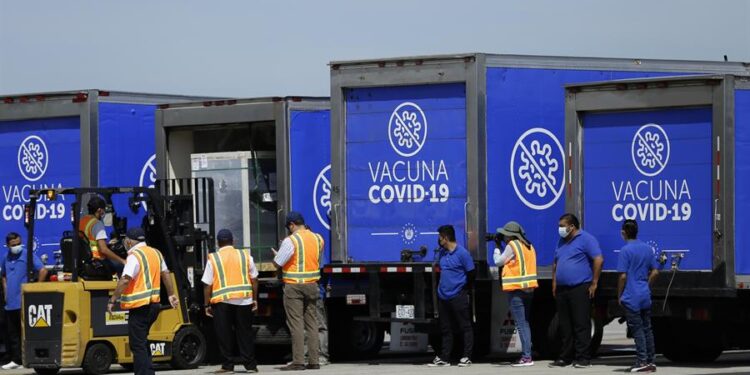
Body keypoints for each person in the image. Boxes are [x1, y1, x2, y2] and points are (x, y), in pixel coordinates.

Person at [108, 228, 178, 375]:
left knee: (137, 345)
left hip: (140, 307)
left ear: (128, 241)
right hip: (154, 306)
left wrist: (113, 299)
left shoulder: (134, 256)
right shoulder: (156, 253)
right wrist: (171, 294)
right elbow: (165, 274)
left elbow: (125, 280)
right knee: (142, 341)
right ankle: (148, 371)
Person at [549, 213, 603, 368]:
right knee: (565, 325)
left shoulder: (586, 239)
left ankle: (583, 358)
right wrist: (554, 282)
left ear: (571, 226)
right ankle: (565, 357)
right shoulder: (561, 241)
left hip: (579, 287)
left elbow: (598, 259)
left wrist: (594, 282)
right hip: (562, 289)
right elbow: (556, 262)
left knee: (581, 323)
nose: (560, 229)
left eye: (562, 226)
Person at [202, 229, 259, 373]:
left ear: (217, 243)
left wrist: (206, 304)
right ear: (233, 241)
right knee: (245, 332)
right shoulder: (245, 255)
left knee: (224, 334)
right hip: (244, 300)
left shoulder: (214, 258)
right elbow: (254, 279)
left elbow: (207, 284)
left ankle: (227, 365)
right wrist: (255, 299)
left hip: (223, 302)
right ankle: (250, 365)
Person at [273, 212, 324, 371]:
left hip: (294, 286)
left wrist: (277, 254)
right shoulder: (318, 238)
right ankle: (314, 361)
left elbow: (277, 263)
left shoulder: (291, 240)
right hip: (312, 285)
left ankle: (298, 361)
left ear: (292, 225)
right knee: (312, 323)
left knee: (296, 324)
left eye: (289, 227)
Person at [428, 225, 475, 368]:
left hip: (458, 296)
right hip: (443, 297)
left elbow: (471, 273)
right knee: (445, 329)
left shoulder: (463, 254)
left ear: (446, 238)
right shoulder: (442, 253)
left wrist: (463, 289)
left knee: (465, 327)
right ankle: (444, 357)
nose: (438, 240)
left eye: (440, 237)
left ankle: (466, 356)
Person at [493, 221, 537, 367]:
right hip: (529, 289)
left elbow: (499, 261)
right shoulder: (528, 246)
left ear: (510, 235)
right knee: (525, 323)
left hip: (517, 290)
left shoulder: (512, 246)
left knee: (521, 324)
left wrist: (497, 248)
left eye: (505, 234)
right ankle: (527, 355)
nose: (504, 237)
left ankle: (526, 357)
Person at [616, 220, 659, 373]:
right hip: (644, 294)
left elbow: (622, 276)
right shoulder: (647, 248)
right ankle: (651, 360)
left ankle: (641, 361)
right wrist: (647, 286)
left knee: (637, 330)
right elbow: (655, 271)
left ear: (623, 232)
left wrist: (619, 294)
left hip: (631, 294)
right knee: (647, 328)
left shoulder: (625, 250)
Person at [1, 232, 47, 370]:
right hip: (10, 302)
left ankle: (25, 358)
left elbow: (43, 270)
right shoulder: (6, 257)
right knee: (13, 333)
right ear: (8, 245)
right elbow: (3, 275)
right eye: (13, 245)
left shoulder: (27, 255)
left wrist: (36, 288)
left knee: (24, 332)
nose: (16, 247)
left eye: (18, 244)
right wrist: (5, 291)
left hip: (24, 300)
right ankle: (16, 360)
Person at [79, 196, 126, 271]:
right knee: (123, 266)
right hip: (98, 260)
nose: (104, 212)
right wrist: (122, 261)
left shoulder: (82, 221)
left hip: (85, 259)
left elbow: (88, 240)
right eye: (104, 210)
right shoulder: (97, 224)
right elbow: (103, 250)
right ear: (99, 210)